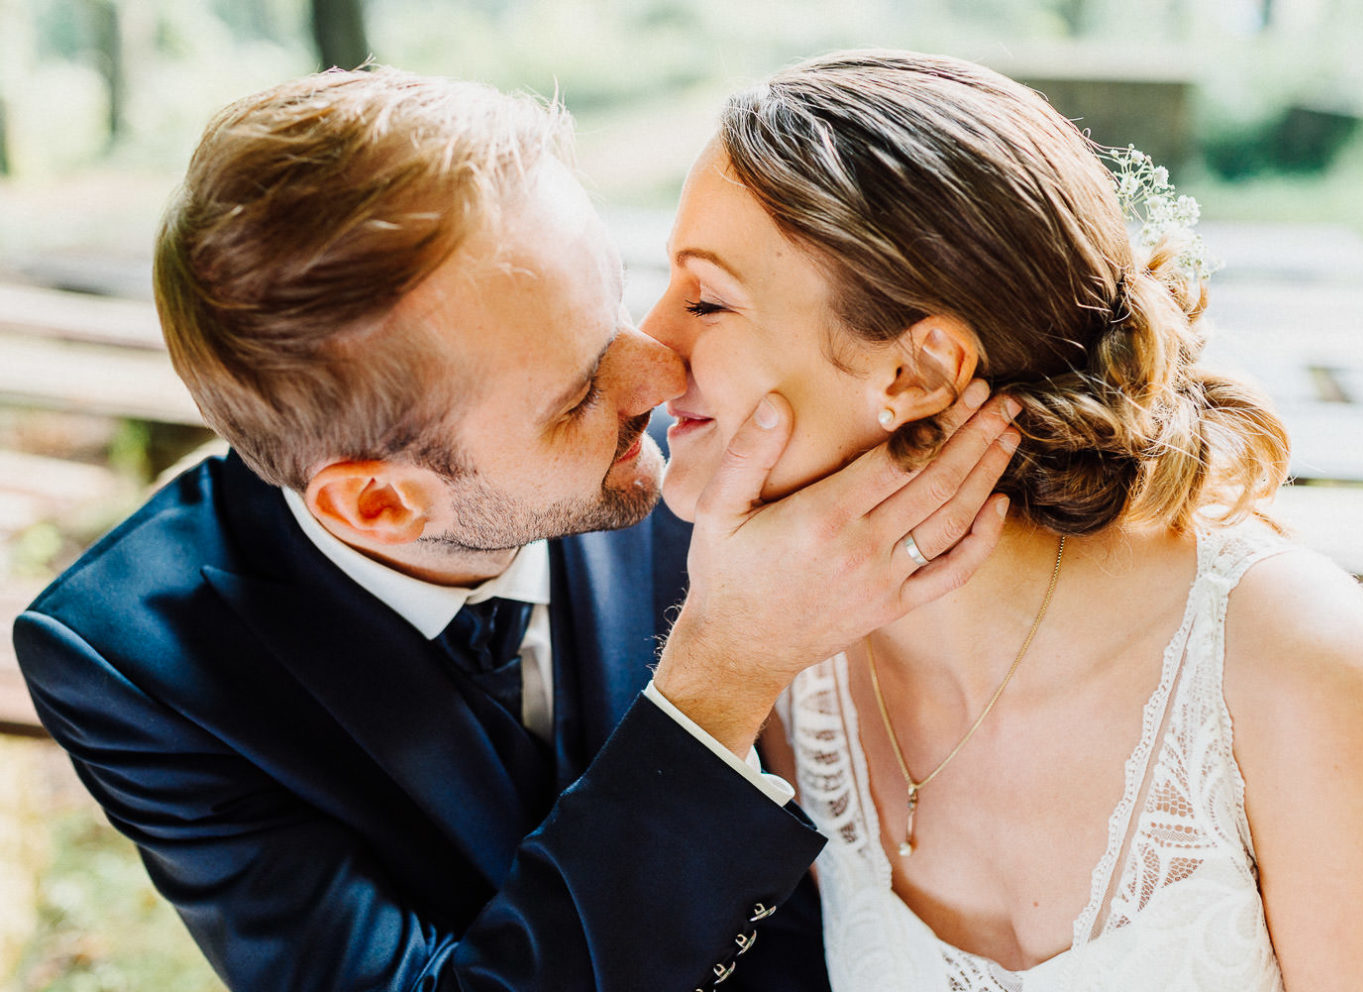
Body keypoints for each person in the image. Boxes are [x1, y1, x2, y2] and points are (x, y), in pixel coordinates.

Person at [11, 67, 1026, 991]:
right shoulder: (131, 661)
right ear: (382, 502)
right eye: (584, 386)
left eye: (616, 304)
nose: (663, 374)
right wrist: (715, 681)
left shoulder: (732, 438)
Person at [640, 50, 1363, 991]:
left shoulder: (1294, 663)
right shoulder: (787, 669)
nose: (653, 346)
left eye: (706, 298)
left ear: (918, 372)